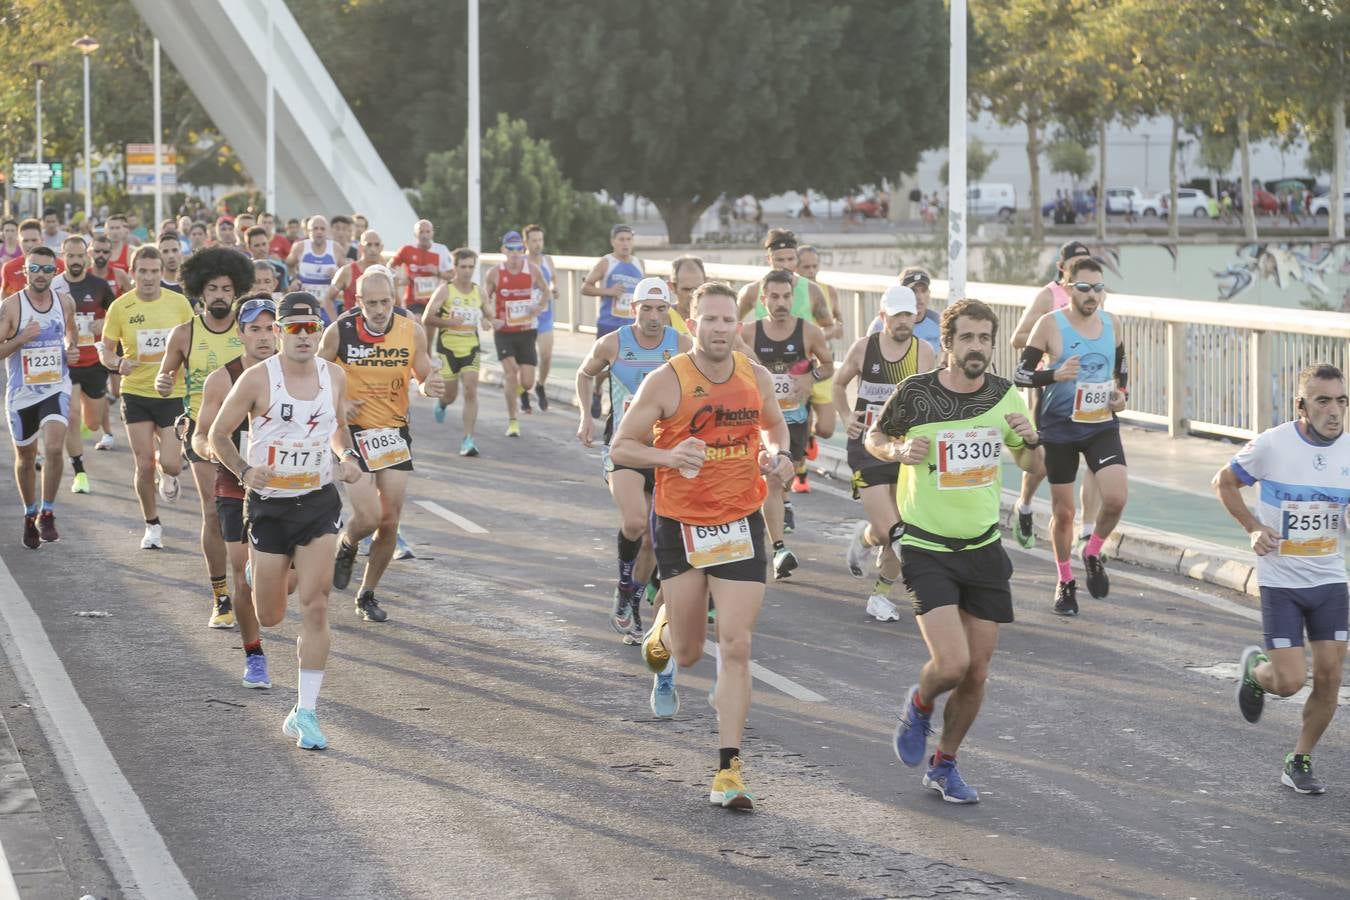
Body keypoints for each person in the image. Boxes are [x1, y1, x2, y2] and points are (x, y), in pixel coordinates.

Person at [612, 281, 794, 811]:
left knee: (736, 644)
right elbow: (624, 445)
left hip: (739, 521)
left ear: (738, 325)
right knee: (689, 653)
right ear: (690, 325)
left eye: (727, 320)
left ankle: (728, 772)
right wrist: (670, 458)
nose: (719, 329)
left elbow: (775, 427)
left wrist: (776, 456)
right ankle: (665, 627)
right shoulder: (667, 381)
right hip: (681, 524)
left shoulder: (752, 375)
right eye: (708, 320)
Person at [866, 298, 1043, 804]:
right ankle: (920, 704)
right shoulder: (916, 393)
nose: (977, 347)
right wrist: (898, 451)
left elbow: (1033, 465)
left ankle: (944, 764)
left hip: (984, 547)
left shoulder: (1006, 396)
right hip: (926, 545)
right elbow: (876, 437)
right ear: (946, 344)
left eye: (985, 338)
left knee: (978, 671)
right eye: (967, 337)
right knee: (951, 664)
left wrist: (1032, 443)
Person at [208, 292, 363, 749]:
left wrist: (346, 454)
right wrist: (244, 471)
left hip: (317, 501)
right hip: (269, 506)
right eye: (293, 328)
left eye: (311, 328)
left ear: (319, 332)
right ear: (278, 333)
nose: (303, 336)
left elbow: (337, 426)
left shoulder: (333, 375)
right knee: (270, 616)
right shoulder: (257, 380)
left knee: (316, 603)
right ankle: (262, 575)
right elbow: (218, 434)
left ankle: (307, 712)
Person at [1216, 363, 1349, 795]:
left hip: (1329, 578)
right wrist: (1253, 527)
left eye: (1341, 400)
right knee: (1290, 681)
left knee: (1330, 676)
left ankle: (1300, 758)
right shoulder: (1272, 445)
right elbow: (1225, 482)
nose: (1334, 410)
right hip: (1282, 580)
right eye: (1323, 401)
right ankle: (1257, 671)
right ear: (1302, 406)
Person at [575, 277, 691, 646]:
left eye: (661, 309)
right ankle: (624, 585)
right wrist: (586, 416)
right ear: (633, 310)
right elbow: (583, 373)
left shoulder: (684, 346)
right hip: (623, 448)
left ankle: (633, 599)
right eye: (646, 309)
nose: (654, 317)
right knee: (636, 523)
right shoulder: (612, 343)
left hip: (666, 455)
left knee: (654, 542)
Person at [323, 268, 442, 622]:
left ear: (395, 299)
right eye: (371, 303)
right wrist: (337, 403)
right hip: (349, 431)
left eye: (385, 302)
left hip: (392, 433)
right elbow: (311, 377)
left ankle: (367, 593)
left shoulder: (411, 331)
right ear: (358, 301)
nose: (379, 309)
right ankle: (346, 544)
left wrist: (427, 387)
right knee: (369, 517)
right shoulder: (339, 332)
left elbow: (422, 376)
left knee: (389, 522)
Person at [1014, 257, 1128, 616]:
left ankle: (1092, 550)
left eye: (1098, 287)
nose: (1092, 295)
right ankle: (1065, 580)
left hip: (1100, 425)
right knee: (1064, 514)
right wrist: (1054, 375)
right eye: (1083, 287)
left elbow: (1120, 368)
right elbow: (1020, 374)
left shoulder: (1113, 323)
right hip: (1059, 429)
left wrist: (1122, 394)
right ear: (1066, 288)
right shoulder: (1049, 325)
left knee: (1116, 498)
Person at [155, 248, 254, 628]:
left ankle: (253, 583)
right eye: (212, 288)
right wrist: (164, 383)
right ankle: (221, 596)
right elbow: (165, 383)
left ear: (236, 291)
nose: (219, 295)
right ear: (199, 291)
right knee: (214, 513)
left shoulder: (249, 330)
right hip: (202, 432)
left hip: (252, 432)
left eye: (226, 288)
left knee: (253, 514)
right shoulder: (184, 334)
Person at [193, 295, 280, 687]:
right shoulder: (223, 379)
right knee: (243, 577)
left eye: (270, 328)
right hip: (236, 485)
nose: (263, 337)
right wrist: (214, 449)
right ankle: (254, 654)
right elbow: (200, 435)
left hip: (288, 489)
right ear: (240, 333)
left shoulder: (297, 374)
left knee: (282, 584)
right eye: (255, 329)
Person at [834, 285, 935, 621]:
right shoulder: (865, 348)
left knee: (889, 527)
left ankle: (875, 579)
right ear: (883, 317)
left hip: (902, 447)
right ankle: (894, 579)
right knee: (898, 531)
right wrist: (847, 416)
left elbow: (929, 403)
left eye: (908, 314)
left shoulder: (924, 353)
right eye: (896, 316)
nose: (903, 321)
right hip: (866, 445)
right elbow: (838, 383)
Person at [99, 246, 196, 549]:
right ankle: (151, 525)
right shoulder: (120, 307)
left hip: (173, 393)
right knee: (143, 464)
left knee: (172, 464)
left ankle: (166, 473)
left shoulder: (179, 304)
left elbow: (193, 343)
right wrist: (116, 363)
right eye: (143, 271)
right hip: (136, 391)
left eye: (154, 271)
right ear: (133, 273)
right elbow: (105, 348)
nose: (150, 277)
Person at [1008, 241, 1100, 550]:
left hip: (1090, 390)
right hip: (1051, 389)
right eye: (1075, 263)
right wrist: (1051, 342)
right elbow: (1018, 337)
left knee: (1095, 459)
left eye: (1086, 262)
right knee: (1044, 461)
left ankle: (1087, 529)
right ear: (1062, 268)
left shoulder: (1094, 293)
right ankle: (1024, 504)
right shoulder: (1048, 296)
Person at [742, 269, 834, 578]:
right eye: (774, 297)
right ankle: (779, 548)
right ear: (763, 299)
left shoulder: (808, 331)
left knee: (780, 482)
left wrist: (811, 377)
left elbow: (829, 365)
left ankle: (775, 520)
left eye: (786, 297)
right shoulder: (749, 333)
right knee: (770, 480)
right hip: (758, 421)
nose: (781, 303)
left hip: (794, 420)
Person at [735, 230, 836, 493]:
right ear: (769, 259)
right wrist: (749, 356)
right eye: (780, 260)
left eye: (791, 259)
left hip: (804, 367)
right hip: (764, 379)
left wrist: (807, 348)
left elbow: (830, 327)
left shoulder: (811, 291)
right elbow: (731, 326)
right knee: (762, 460)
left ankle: (803, 445)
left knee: (825, 429)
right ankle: (777, 501)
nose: (786, 265)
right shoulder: (751, 292)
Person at [0, 245, 78, 548]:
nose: (41, 274)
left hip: (56, 385)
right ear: (25, 271)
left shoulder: (64, 302)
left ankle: (47, 512)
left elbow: (71, 333)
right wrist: (21, 338)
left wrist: (71, 347)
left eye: (47, 269)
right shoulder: (11, 307)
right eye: (34, 268)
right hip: (21, 393)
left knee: (55, 447)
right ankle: (29, 514)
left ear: (55, 272)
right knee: (26, 456)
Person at [50, 235, 118, 486]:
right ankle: (79, 471)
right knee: (72, 415)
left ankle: (86, 429)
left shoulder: (99, 285)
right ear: (63, 256)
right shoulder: (55, 285)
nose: (76, 260)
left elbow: (117, 311)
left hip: (94, 362)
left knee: (92, 421)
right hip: (67, 362)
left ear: (86, 257)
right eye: (71, 255)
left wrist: (105, 321)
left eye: (80, 256)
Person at [422, 247, 486, 457]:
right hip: (448, 349)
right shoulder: (445, 290)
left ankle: (468, 439)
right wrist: (449, 322)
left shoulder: (479, 291)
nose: (467, 271)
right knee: (450, 395)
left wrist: (488, 320)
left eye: (471, 267)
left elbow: (490, 314)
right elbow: (426, 318)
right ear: (455, 267)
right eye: (463, 267)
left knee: (470, 389)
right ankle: (442, 403)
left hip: (470, 347)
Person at [483, 231, 549, 437]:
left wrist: (539, 307)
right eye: (510, 249)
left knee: (527, 382)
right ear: (503, 250)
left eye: (519, 249)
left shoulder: (533, 270)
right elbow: (484, 300)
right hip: (504, 332)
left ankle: (516, 391)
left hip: (527, 330)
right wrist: (488, 319)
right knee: (511, 373)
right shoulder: (494, 273)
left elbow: (546, 291)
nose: (515, 254)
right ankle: (513, 421)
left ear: (524, 250)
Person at [581, 225, 645, 419]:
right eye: (621, 240)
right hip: (608, 323)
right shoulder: (606, 263)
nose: (625, 243)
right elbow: (586, 287)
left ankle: (617, 405)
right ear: (613, 242)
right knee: (604, 368)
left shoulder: (639, 264)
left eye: (628, 239)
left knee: (626, 366)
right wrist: (608, 292)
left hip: (631, 324)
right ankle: (597, 391)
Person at [524, 224, 558, 411]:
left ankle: (540, 385)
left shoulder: (547, 261)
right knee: (527, 359)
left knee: (546, 356)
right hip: (524, 317)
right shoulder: (520, 262)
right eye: (534, 240)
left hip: (544, 314)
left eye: (540, 240)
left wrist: (554, 289)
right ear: (526, 242)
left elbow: (553, 280)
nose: (538, 244)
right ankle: (523, 392)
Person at [390, 219, 451, 316]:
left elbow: (452, 275)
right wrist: (400, 280)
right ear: (415, 234)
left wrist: (438, 272)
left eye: (427, 232)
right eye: (421, 232)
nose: (424, 235)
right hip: (413, 300)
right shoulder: (407, 250)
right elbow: (389, 267)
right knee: (418, 322)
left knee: (430, 330)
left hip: (435, 299)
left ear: (432, 233)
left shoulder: (441, 250)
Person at [286, 216, 343, 320]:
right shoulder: (300, 247)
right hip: (304, 303)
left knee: (328, 333)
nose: (319, 232)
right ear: (308, 231)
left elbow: (346, 275)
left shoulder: (336, 248)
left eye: (322, 229)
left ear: (327, 231)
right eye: (315, 228)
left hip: (327, 304)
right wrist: (293, 279)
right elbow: (289, 264)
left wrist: (337, 275)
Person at [324, 230, 383, 321]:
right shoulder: (347, 271)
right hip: (353, 327)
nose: (373, 249)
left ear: (381, 247)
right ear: (360, 247)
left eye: (376, 245)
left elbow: (396, 304)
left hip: (379, 327)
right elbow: (327, 298)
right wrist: (336, 323)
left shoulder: (387, 273)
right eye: (369, 245)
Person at [3, 220, 61, 297]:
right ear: (19, 242)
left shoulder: (60, 265)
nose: (30, 245)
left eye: (34, 240)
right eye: (25, 241)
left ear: (42, 240)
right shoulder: (9, 268)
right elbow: (4, 299)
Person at [666, 256, 705, 334]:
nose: (693, 294)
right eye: (686, 289)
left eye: (698, 289)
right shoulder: (664, 318)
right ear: (672, 287)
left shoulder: (715, 317)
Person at [246, 226, 289, 292]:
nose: (262, 248)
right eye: (257, 245)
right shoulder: (244, 269)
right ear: (249, 247)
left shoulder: (281, 268)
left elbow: (285, 292)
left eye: (264, 244)